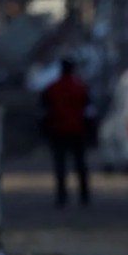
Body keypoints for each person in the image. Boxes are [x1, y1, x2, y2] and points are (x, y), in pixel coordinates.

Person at [41, 58, 91, 208]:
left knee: (60, 166)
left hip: (58, 131)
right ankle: (84, 195)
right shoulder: (80, 87)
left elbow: (44, 108)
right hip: (77, 130)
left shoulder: (53, 88)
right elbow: (88, 109)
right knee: (80, 165)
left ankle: (62, 196)